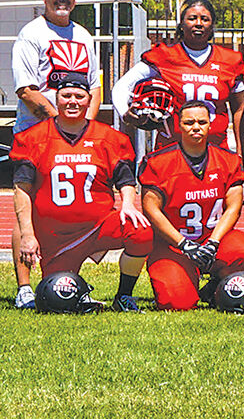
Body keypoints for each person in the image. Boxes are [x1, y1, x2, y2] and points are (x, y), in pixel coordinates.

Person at [9, 73, 153, 311]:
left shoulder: (109, 138)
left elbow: (125, 180)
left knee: (140, 231)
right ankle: (25, 289)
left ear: (89, 100)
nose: (72, 101)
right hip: (56, 236)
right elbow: (21, 189)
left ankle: (124, 295)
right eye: (66, 96)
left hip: (98, 226)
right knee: (57, 295)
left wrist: (128, 203)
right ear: (56, 99)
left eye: (79, 96)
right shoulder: (33, 138)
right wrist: (28, 234)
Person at [10, 0, 102, 309]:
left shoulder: (84, 35)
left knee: (72, 204)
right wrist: (60, 122)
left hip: (76, 134)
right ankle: (24, 287)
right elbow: (27, 90)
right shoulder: (31, 34)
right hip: (36, 132)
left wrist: (85, 126)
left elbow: (94, 84)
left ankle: (67, 276)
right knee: (27, 208)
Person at [138, 100, 244, 310]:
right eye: (189, 122)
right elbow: (151, 209)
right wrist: (183, 244)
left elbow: (234, 208)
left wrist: (213, 242)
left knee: (243, 249)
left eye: (202, 122)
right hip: (173, 246)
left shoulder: (228, 160)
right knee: (176, 302)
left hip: (213, 239)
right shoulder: (158, 162)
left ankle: (215, 288)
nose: (196, 127)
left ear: (210, 125)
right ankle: (186, 282)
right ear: (179, 125)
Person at [113, 0, 244, 158]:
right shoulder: (164, 55)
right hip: (171, 149)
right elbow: (123, 85)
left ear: (212, 26)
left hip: (216, 149)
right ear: (182, 25)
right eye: (192, 18)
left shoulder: (230, 60)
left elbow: (240, 108)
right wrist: (125, 113)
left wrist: (240, 154)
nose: (198, 23)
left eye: (205, 19)